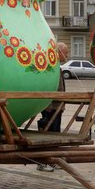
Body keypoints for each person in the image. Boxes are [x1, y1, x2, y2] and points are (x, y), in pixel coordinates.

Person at [37, 42, 69, 172]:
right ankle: (42, 162)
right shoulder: (50, 67)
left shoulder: (57, 67)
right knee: (47, 136)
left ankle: (52, 159)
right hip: (51, 107)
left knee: (55, 135)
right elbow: (47, 87)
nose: (67, 55)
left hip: (58, 107)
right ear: (59, 52)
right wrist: (48, 105)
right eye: (66, 53)